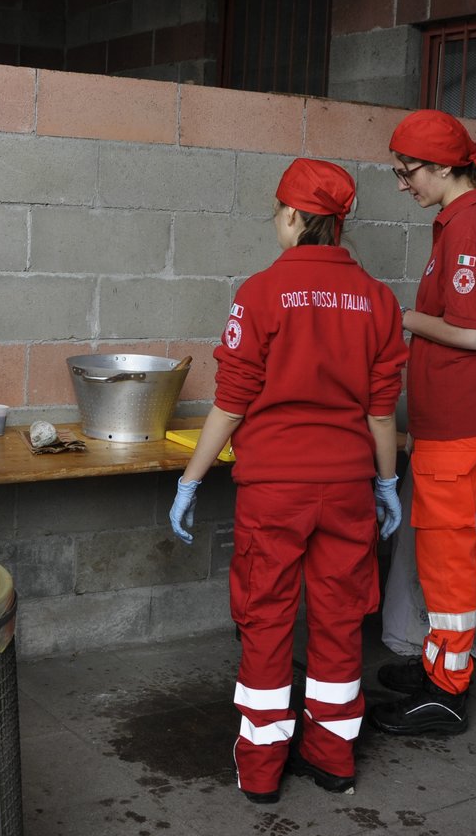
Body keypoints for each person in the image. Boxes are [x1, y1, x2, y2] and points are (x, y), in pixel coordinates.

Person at [168, 159, 407, 803]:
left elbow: (232, 401)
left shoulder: (261, 293)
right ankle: (332, 757)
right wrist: (386, 484)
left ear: (296, 218)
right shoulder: (379, 300)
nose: (278, 221)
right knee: (339, 617)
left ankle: (262, 766)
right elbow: (381, 411)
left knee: (267, 616)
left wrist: (191, 480)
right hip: (349, 486)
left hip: (274, 489)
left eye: (279, 211)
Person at [368, 109, 476, 738]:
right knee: (437, 551)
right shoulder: (460, 221)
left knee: (447, 554)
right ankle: (438, 665)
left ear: (443, 167)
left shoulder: (470, 228)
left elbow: (470, 330)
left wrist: (398, 317)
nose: (404, 184)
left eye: (409, 173)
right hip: (448, 418)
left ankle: (448, 691)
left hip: (460, 420)